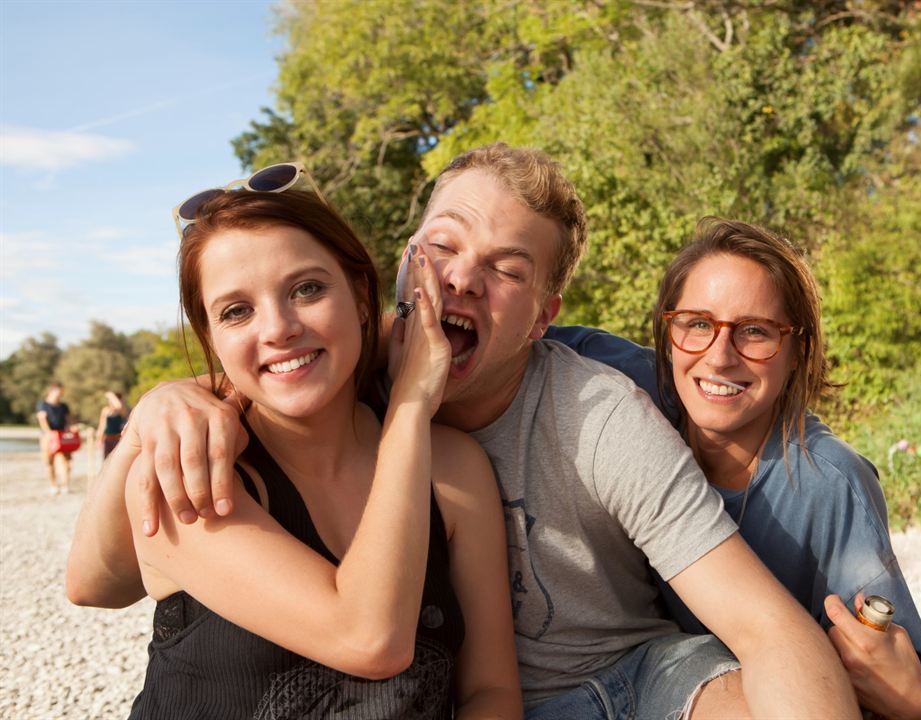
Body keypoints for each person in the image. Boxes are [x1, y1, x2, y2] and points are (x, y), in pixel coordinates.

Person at [67, 146, 861, 718]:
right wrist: (162, 406)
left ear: (543, 319)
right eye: (442, 246)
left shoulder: (584, 419)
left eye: (508, 269)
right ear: (406, 263)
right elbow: (97, 580)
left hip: (624, 675)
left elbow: (764, 626)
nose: (460, 278)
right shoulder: (250, 414)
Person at [69, 165, 520, 718]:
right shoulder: (184, 476)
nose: (278, 327)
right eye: (237, 311)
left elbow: (490, 691)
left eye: (306, 288)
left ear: (359, 295)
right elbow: (369, 639)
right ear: (212, 338)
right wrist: (410, 404)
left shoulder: (454, 470)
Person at [547, 217, 921, 719]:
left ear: (798, 352)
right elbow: (518, 330)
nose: (717, 357)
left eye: (754, 332)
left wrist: (913, 698)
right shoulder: (635, 388)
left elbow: (903, 676)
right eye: (697, 323)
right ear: (669, 333)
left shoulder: (830, 484)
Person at [36, 382, 73, 495]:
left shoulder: (64, 406)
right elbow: (42, 419)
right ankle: (53, 485)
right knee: (49, 462)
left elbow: (68, 420)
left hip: (62, 436)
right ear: (52, 391)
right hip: (48, 437)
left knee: (66, 461)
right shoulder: (43, 404)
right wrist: (49, 433)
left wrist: (69, 429)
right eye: (59, 391)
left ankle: (65, 485)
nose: (60, 394)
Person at [95, 390, 128, 459]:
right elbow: (102, 426)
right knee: (107, 459)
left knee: (118, 459)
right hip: (108, 438)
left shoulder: (121, 411)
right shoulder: (105, 410)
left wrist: (111, 396)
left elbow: (118, 406)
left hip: (118, 439)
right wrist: (99, 439)